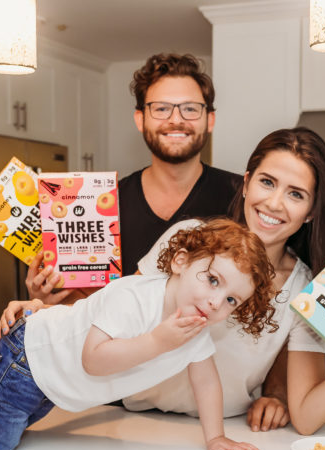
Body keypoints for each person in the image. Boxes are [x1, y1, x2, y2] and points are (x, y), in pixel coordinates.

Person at [0, 219, 275, 450]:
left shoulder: (195, 329)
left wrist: (215, 437)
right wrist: (157, 341)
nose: (214, 301)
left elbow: (205, 381)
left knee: (20, 419)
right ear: (181, 262)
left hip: (56, 380)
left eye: (230, 299)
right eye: (212, 279)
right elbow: (94, 359)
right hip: (29, 357)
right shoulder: (134, 299)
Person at [122, 128, 325, 435]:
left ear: (310, 212)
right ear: (245, 184)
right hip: (132, 425)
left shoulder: (308, 289)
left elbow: (306, 418)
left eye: (296, 194)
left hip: (230, 436)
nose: (274, 203)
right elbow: (119, 312)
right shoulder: (191, 238)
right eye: (267, 182)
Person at [26, 53, 240, 298]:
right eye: (161, 108)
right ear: (140, 119)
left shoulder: (242, 197)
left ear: (209, 120)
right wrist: (45, 300)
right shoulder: (100, 207)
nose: (176, 120)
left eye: (190, 109)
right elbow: (87, 304)